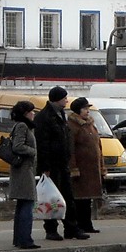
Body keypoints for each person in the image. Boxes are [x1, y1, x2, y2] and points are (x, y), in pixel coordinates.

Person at [34, 86, 88, 241]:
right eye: (64, 97)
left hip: (62, 163)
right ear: (57, 99)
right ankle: (51, 229)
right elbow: (43, 144)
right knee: (52, 198)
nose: (66, 100)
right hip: (51, 166)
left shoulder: (61, 114)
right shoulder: (44, 117)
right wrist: (45, 167)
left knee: (67, 197)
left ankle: (71, 227)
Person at [68, 96, 105, 234]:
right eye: (84, 108)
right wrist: (74, 168)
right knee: (80, 199)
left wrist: (101, 166)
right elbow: (70, 149)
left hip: (92, 169)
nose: (87, 111)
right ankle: (80, 224)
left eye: (87, 108)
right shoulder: (73, 126)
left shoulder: (90, 125)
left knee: (88, 199)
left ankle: (87, 224)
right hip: (82, 169)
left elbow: (98, 146)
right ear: (78, 110)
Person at [8, 100, 40, 249]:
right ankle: (25, 239)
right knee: (27, 203)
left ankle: (19, 238)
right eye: (31, 111)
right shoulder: (22, 126)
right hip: (23, 170)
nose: (33, 113)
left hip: (24, 169)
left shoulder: (24, 126)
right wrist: (33, 152)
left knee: (23, 204)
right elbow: (18, 146)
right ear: (25, 113)